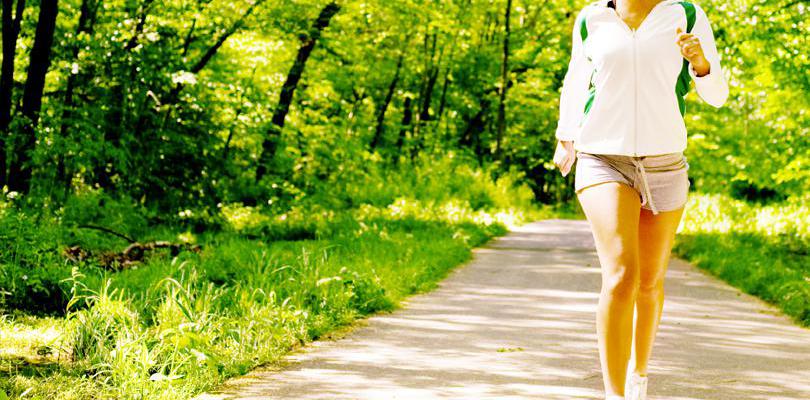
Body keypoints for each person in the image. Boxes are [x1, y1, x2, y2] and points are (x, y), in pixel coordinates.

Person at [551, 0, 729, 399]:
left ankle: (639, 376)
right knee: (621, 275)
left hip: (665, 163)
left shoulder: (686, 15)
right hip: (602, 158)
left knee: (649, 283)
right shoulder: (592, 18)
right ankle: (614, 395)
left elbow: (717, 95)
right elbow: (576, 81)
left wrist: (700, 63)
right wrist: (566, 135)